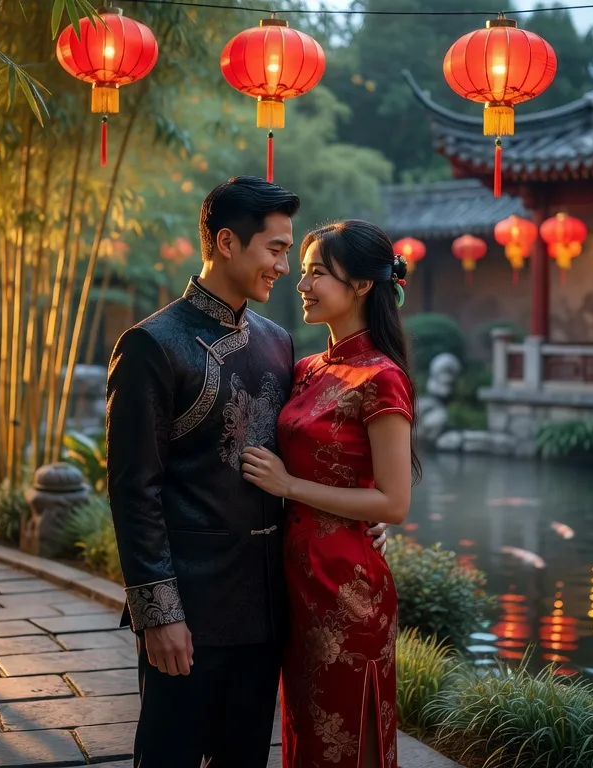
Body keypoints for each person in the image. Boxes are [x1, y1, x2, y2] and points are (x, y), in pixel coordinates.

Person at [105, 178, 388, 767]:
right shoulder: (152, 346)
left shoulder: (279, 343)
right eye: (277, 249)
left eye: (289, 252)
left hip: (268, 612)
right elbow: (135, 492)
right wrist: (160, 615)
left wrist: (358, 514)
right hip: (191, 611)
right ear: (227, 242)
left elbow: (318, 452)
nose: (286, 267)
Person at [241, 219, 418, 768]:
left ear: (363, 285)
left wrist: (290, 486)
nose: (302, 283)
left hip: (346, 587)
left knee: (345, 739)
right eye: (304, 270)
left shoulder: (382, 379)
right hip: (296, 579)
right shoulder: (305, 369)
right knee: (305, 733)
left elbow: (394, 503)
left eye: (318, 273)